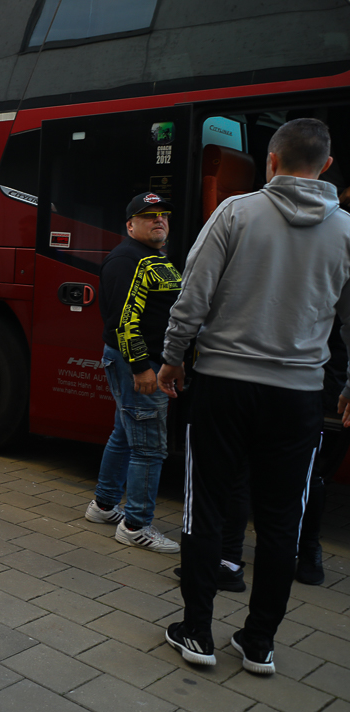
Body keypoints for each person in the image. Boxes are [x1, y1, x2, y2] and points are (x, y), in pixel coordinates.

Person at [158, 118, 350, 676]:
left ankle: (196, 632)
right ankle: (259, 642)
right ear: (327, 167)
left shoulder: (234, 213)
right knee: (280, 520)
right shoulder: (346, 232)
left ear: (270, 160)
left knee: (207, 507)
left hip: (223, 387)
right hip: (298, 398)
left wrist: (173, 356)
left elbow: (193, 294)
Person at [82, 192, 182, 553]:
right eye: (149, 216)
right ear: (130, 225)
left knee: (125, 434)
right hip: (139, 364)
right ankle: (136, 525)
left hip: (149, 362)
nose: (160, 221)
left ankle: (104, 506)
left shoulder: (151, 257)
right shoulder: (127, 260)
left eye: (164, 216)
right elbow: (124, 323)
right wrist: (143, 369)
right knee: (150, 449)